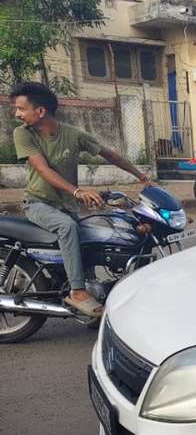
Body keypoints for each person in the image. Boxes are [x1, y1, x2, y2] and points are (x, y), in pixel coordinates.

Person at [11, 82, 150, 317]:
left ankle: (94, 286)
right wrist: (77, 191)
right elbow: (43, 170)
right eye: (18, 109)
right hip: (38, 203)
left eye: (21, 109)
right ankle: (77, 291)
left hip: (66, 206)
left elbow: (110, 154)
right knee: (67, 227)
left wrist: (143, 176)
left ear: (41, 111)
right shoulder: (23, 134)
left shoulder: (72, 135)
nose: (17, 114)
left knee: (97, 232)